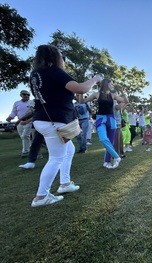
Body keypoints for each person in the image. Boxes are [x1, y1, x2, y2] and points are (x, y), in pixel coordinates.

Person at [29, 44, 103, 207]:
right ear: (55, 57)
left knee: (68, 150)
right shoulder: (55, 72)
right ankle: (41, 197)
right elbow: (81, 89)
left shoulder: (35, 75)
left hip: (42, 118)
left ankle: (65, 183)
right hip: (55, 120)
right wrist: (96, 78)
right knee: (56, 158)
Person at [81, 79, 127, 168]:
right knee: (103, 139)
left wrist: (122, 91)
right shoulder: (96, 94)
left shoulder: (113, 95)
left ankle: (107, 162)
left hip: (111, 119)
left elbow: (125, 100)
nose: (113, 85)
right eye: (111, 84)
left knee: (110, 142)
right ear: (106, 84)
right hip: (100, 118)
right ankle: (117, 157)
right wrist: (81, 92)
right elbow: (83, 101)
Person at [6, 90, 35, 158]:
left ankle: (25, 152)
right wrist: (10, 117)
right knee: (23, 137)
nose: (26, 96)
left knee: (25, 136)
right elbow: (14, 112)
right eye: (25, 94)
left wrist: (20, 119)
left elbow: (32, 112)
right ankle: (31, 149)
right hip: (20, 123)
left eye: (28, 95)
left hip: (29, 121)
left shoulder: (31, 102)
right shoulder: (17, 103)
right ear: (21, 95)